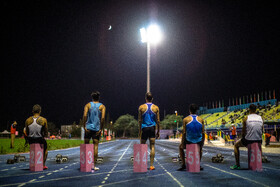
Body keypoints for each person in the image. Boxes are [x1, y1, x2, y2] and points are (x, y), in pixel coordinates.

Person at [230, 104, 263, 170]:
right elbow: (261, 129)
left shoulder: (246, 118)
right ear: (256, 110)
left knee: (236, 145)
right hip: (259, 140)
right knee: (259, 145)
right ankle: (259, 162)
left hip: (249, 140)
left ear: (249, 110)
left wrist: (243, 138)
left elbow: (243, 131)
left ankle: (237, 165)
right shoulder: (260, 118)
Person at [83, 91, 106, 171]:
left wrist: (84, 126)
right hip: (96, 129)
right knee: (95, 146)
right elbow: (102, 118)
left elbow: (85, 115)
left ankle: (85, 165)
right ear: (98, 97)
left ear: (92, 97)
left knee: (86, 146)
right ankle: (93, 165)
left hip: (88, 128)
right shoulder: (102, 106)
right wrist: (101, 128)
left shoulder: (88, 105)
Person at [178, 104, 205, 171]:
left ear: (189, 110)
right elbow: (203, 133)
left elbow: (184, 133)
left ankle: (183, 164)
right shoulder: (201, 119)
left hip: (189, 141)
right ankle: (198, 164)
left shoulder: (185, 119)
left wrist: (182, 143)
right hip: (198, 141)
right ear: (196, 111)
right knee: (200, 149)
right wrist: (202, 143)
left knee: (180, 148)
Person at [138, 92, 160, 170]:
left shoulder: (141, 107)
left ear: (145, 98)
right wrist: (158, 131)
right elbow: (158, 120)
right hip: (152, 128)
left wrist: (139, 131)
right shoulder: (156, 107)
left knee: (142, 146)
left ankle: (141, 165)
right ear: (152, 98)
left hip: (144, 128)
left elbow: (140, 120)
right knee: (152, 147)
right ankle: (151, 165)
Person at [25, 104, 48, 170]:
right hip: (39, 139)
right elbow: (46, 132)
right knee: (45, 149)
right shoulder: (43, 120)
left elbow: (27, 132)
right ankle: (43, 165)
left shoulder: (27, 120)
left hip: (31, 140)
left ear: (32, 111)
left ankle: (33, 162)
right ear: (40, 111)